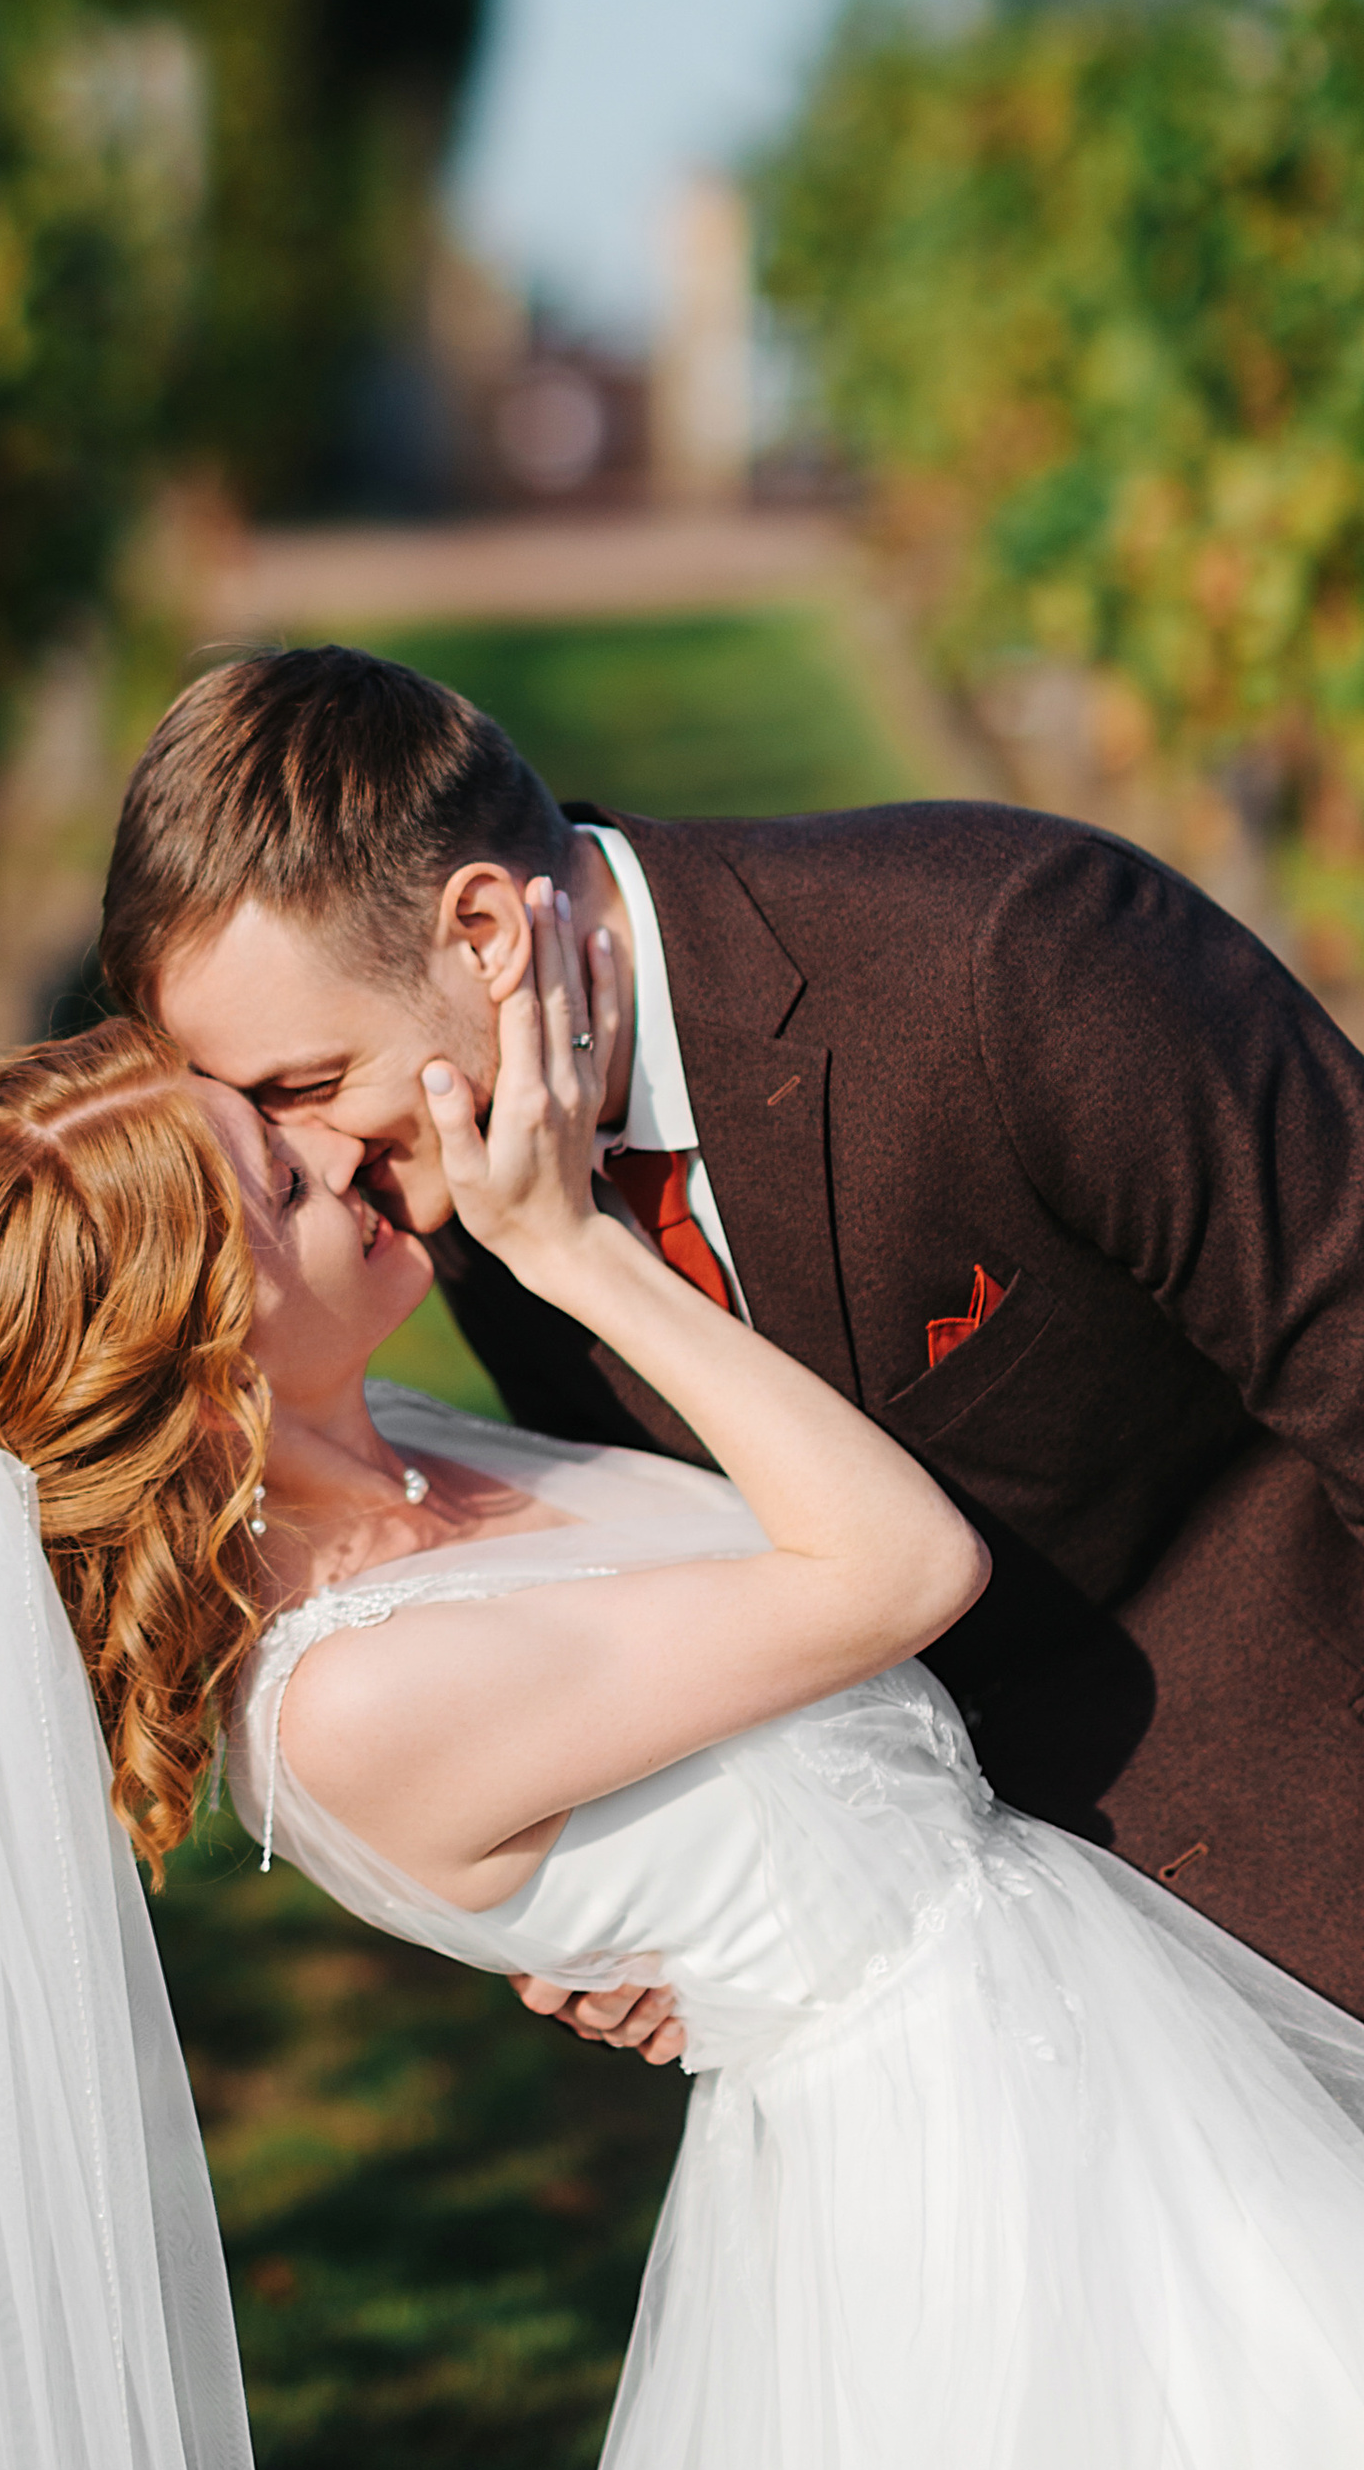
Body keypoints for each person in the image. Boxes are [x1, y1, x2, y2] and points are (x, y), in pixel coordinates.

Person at [0, 954, 1364, 2470]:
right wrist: (574, 1254)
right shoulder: (350, 1703)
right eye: (279, 1173)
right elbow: (900, 1570)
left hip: (1081, 2040)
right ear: (204, 1350)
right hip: (980, 2180)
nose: (345, 1150)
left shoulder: (401, 1443)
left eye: (285, 1110)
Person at [100, 640, 1364, 2030]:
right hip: (990, 2020)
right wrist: (641, 1892)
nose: (318, 1160)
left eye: (312, 1083)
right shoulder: (468, 1196)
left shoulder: (1010, 956)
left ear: (483, 935)